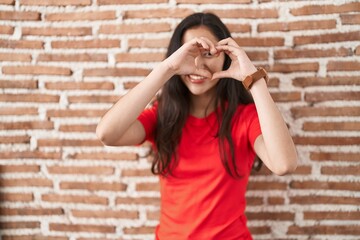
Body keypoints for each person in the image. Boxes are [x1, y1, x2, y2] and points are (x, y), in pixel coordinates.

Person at [96, 12, 297, 240]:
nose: (198, 64)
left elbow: (284, 164)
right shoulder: (164, 115)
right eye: (190, 53)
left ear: (225, 57)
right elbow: (106, 133)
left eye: (209, 54)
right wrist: (168, 68)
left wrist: (253, 79)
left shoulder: (244, 118)